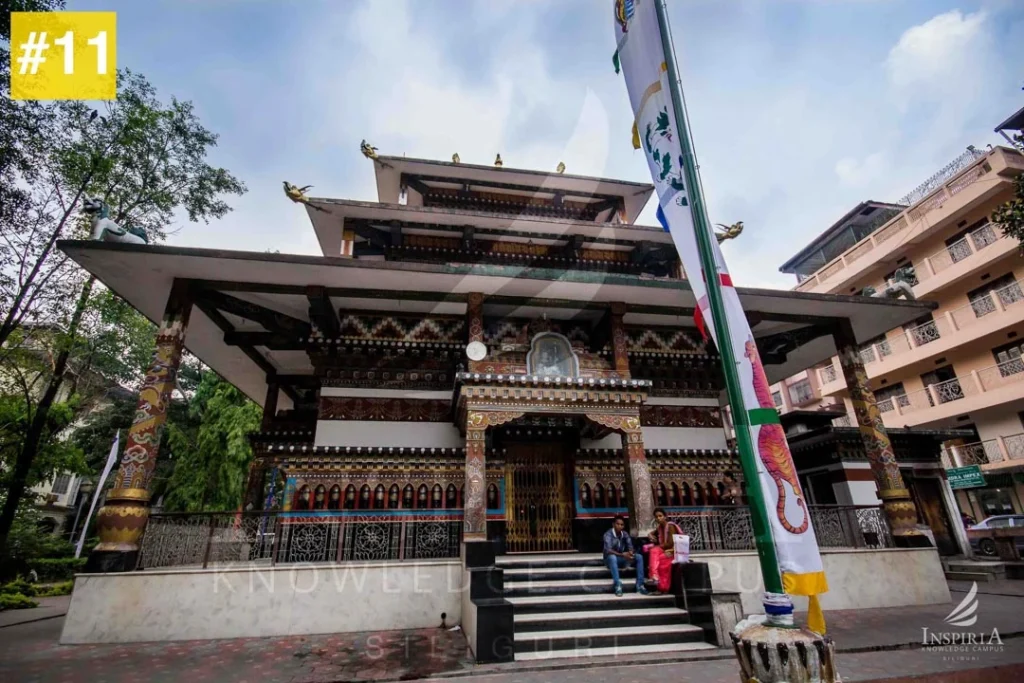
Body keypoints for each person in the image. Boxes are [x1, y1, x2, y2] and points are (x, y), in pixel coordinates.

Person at [603, 515, 649, 597]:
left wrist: (630, 553)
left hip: (622, 558)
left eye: (622, 525)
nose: (620, 526)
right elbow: (608, 550)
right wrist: (622, 554)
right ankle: (617, 585)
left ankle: (640, 585)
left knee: (639, 557)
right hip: (610, 560)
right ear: (613, 524)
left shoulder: (624, 534)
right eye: (617, 524)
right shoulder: (608, 534)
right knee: (612, 557)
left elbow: (630, 546)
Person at [645, 507, 683, 593]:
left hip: (674, 552)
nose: (658, 518)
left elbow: (670, 544)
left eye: (660, 516)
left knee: (654, 551)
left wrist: (657, 546)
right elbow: (651, 533)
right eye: (656, 517)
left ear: (665, 516)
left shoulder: (670, 526)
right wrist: (650, 535)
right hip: (666, 552)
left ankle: (655, 577)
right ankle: (661, 587)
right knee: (659, 558)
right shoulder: (660, 527)